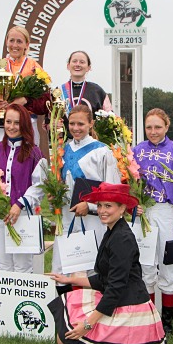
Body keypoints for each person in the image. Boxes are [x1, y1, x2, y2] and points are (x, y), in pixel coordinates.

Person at [47, 182, 170, 344]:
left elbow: (115, 288)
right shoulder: (113, 231)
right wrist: (70, 280)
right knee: (67, 317)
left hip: (129, 305)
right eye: (99, 206)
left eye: (108, 206)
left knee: (65, 340)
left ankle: (125, 343)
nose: (102, 211)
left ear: (122, 209)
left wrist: (88, 325)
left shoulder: (122, 239)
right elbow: (104, 279)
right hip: (120, 298)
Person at [132, 108, 173, 334]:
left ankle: (167, 325)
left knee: (168, 270)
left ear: (167, 127)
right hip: (144, 215)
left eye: (158, 127)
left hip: (168, 213)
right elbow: (127, 185)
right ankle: (149, 321)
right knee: (146, 269)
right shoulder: (136, 151)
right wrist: (132, 205)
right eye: (149, 127)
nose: (153, 131)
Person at [53, 104, 121, 296]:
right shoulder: (62, 149)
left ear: (91, 124)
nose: (76, 128)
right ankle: (65, 316)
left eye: (81, 124)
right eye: (72, 123)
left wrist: (90, 206)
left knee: (93, 268)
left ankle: (93, 316)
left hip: (93, 220)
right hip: (67, 217)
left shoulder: (102, 152)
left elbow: (112, 190)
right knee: (61, 266)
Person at [0, 103, 46, 273]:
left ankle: (22, 300)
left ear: (25, 125)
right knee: (2, 266)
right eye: (8, 122)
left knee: (22, 267)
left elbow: (39, 185)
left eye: (17, 123)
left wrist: (19, 204)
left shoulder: (34, 152)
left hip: (22, 215)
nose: (11, 127)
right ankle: (5, 300)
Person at [0, 26, 50, 144]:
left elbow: (45, 103)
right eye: (11, 40)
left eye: (19, 41)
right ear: (7, 42)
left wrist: (26, 100)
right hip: (2, 125)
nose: (15, 45)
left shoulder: (34, 68)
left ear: (27, 45)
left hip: (27, 124)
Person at [56, 51, 112, 133]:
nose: (77, 64)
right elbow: (48, 121)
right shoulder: (58, 92)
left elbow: (110, 118)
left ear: (88, 67)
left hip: (91, 141)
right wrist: (53, 125)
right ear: (68, 66)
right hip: (65, 142)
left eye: (82, 62)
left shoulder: (97, 91)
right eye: (74, 61)